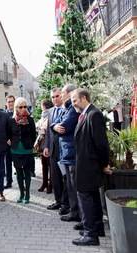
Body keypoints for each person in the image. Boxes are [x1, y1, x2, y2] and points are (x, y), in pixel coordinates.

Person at [71, 89, 110, 246]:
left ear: (84, 98)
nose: (73, 103)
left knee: (86, 198)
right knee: (92, 197)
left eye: (74, 100)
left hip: (90, 166)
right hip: (86, 165)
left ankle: (90, 235)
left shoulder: (94, 114)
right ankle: (97, 228)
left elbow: (101, 144)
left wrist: (104, 164)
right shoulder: (86, 114)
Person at [51, 84, 81, 222]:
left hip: (71, 152)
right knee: (69, 184)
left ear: (69, 94)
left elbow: (64, 126)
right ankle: (73, 211)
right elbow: (55, 124)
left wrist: (57, 126)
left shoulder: (73, 110)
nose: (61, 96)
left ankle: (76, 213)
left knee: (74, 185)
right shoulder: (67, 108)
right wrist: (55, 126)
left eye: (62, 93)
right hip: (66, 153)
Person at [43, 88, 69, 215]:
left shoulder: (67, 110)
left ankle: (66, 204)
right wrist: (46, 146)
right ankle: (58, 201)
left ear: (62, 96)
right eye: (52, 97)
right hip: (53, 150)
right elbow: (48, 130)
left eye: (57, 96)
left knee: (65, 177)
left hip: (64, 150)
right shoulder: (51, 111)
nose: (55, 99)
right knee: (55, 178)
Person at [9, 97, 36, 204]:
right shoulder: (11, 120)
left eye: (25, 106)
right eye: (21, 107)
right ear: (16, 108)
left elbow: (34, 135)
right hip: (15, 150)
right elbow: (8, 133)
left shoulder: (30, 119)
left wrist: (30, 144)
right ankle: (21, 194)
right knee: (19, 173)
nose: (23, 109)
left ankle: (28, 194)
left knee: (27, 173)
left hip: (27, 150)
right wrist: (8, 140)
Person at [34, 99, 53, 193]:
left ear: (44, 106)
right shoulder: (43, 115)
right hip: (42, 143)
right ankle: (45, 183)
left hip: (48, 143)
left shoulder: (50, 114)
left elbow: (44, 128)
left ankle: (50, 184)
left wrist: (40, 128)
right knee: (44, 165)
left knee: (50, 165)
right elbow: (38, 126)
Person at [5, 95, 15, 188]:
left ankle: (21, 182)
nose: (10, 103)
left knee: (19, 164)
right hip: (7, 144)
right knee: (7, 164)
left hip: (16, 143)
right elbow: (1, 129)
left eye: (12, 101)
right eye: (9, 102)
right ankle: (9, 182)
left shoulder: (19, 113)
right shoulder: (3, 115)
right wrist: (6, 139)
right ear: (6, 103)